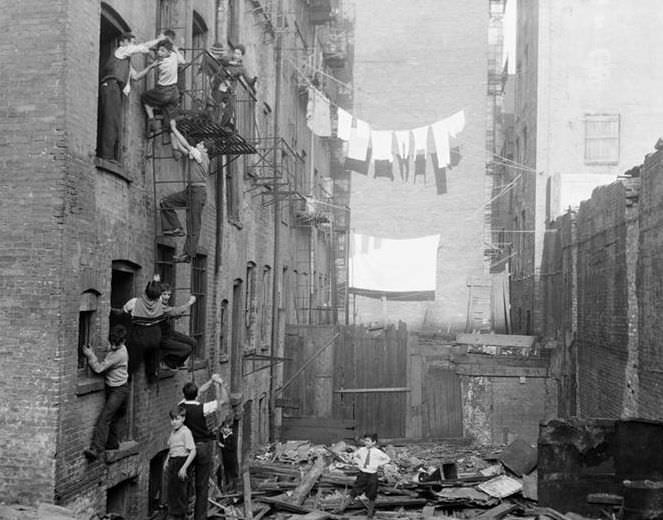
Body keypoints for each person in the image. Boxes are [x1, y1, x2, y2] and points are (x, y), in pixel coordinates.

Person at [98, 32, 164, 161]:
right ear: (122, 42)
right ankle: (107, 156)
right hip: (111, 86)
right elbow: (141, 47)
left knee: (114, 120)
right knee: (111, 120)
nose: (132, 46)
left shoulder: (125, 61)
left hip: (116, 89)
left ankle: (109, 155)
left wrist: (151, 66)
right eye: (131, 42)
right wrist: (158, 40)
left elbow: (136, 76)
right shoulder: (120, 51)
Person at [123, 275, 195, 381]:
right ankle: (154, 374)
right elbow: (175, 311)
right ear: (158, 296)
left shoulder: (134, 302)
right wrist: (190, 302)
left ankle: (126, 378)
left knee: (132, 363)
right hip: (154, 340)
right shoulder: (160, 307)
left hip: (138, 339)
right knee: (152, 358)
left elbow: (124, 311)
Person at [160, 130, 210, 263]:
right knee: (165, 202)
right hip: (191, 190)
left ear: (204, 148)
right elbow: (181, 148)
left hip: (198, 192)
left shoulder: (201, 155)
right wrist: (172, 135)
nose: (198, 144)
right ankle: (175, 228)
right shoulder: (195, 155)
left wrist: (174, 128)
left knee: (193, 224)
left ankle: (188, 255)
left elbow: (186, 145)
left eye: (200, 144)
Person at [82, 325, 130, 462]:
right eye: (112, 343)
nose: (113, 346)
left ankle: (96, 449)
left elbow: (98, 369)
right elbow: (110, 350)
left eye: (116, 344)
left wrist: (91, 355)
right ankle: (112, 444)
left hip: (119, 390)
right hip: (116, 388)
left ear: (123, 342)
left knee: (105, 418)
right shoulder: (119, 348)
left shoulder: (119, 354)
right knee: (113, 417)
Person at [179, 375, 224, 520]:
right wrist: (219, 385)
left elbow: (198, 392)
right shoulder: (203, 408)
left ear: (183, 394)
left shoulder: (180, 406)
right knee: (202, 484)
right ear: (196, 394)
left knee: (183, 481)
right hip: (202, 447)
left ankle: (183, 514)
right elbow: (222, 401)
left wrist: (209, 381)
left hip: (185, 449)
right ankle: (200, 517)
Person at [335, 433, 391, 519]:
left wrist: (378, 464)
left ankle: (370, 514)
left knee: (372, 494)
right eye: (365, 440)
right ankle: (341, 509)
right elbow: (354, 455)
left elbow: (388, 459)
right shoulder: (361, 450)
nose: (366, 442)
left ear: (374, 442)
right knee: (354, 492)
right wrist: (357, 461)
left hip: (372, 475)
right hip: (362, 474)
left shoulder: (377, 452)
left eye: (368, 441)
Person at [138, 39, 181, 136]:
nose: (159, 52)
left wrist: (151, 63)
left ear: (168, 52)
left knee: (144, 97)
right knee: (170, 119)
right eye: (159, 50)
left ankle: (153, 124)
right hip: (174, 93)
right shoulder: (174, 56)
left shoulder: (160, 63)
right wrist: (175, 48)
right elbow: (182, 60)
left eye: (162, 51)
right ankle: (173, 133)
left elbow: (153, 61)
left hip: (163, 91)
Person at [165, 405, 196, 520]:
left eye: (177, 419)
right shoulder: (173, 432)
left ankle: (180, 515)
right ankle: (173, 512)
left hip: (181, 462)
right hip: (173, 461)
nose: (174, 422)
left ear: (183, 419)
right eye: (172, 419)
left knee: (180, 491)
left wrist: (184, 468)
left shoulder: (185, 432)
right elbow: (172, 447)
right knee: (172, 490)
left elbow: (193, 451)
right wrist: (167, 460)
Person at [159, 283, 196, 368]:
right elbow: (174, 312)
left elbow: (174, 313)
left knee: (193, 343)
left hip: (169, 333)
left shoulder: (165, 305)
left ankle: (175, 363)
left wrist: (177, 314)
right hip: (162, 337)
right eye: (164, 294)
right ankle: (166, 362)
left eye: (169, 295)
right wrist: (190, 302)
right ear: (159, 294)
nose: (167, 297)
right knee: (186, 349)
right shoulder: (158, 305)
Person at [216, 418, 238, 492]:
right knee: (222, 473)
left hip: (231, 459)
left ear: (230, 430)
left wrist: (223, 446)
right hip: (224, 459)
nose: (225, 430)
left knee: (232, 473)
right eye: (224, 428)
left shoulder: (232, 437)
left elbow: (233, 447)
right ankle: (224, 487)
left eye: (227, 428)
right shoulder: (222, 436)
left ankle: (233, 488)